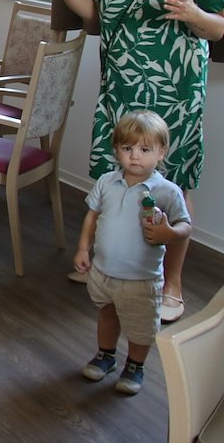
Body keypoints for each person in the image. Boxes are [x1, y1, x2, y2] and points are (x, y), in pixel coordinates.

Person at [33, 0, 224, 322]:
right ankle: (109, 265)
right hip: (121, 86)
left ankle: (172, 284)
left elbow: (219, 27)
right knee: (116, 177)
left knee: (174, 184)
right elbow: (92, 11)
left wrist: (194, 14)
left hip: (176, 92)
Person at [75, 110, 191, 395]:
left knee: (141, 327)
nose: (135, 156)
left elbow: (185, 226)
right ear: (117, 150)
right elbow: (92, 216)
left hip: (141, 279)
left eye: (144, 149)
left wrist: (168, 233)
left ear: (161, 152)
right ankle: (106, 355)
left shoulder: (167, 191)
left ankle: (135, 365)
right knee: (107, 314)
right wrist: (82, 248)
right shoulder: (106, 182)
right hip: (103, 271)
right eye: (127, 148)